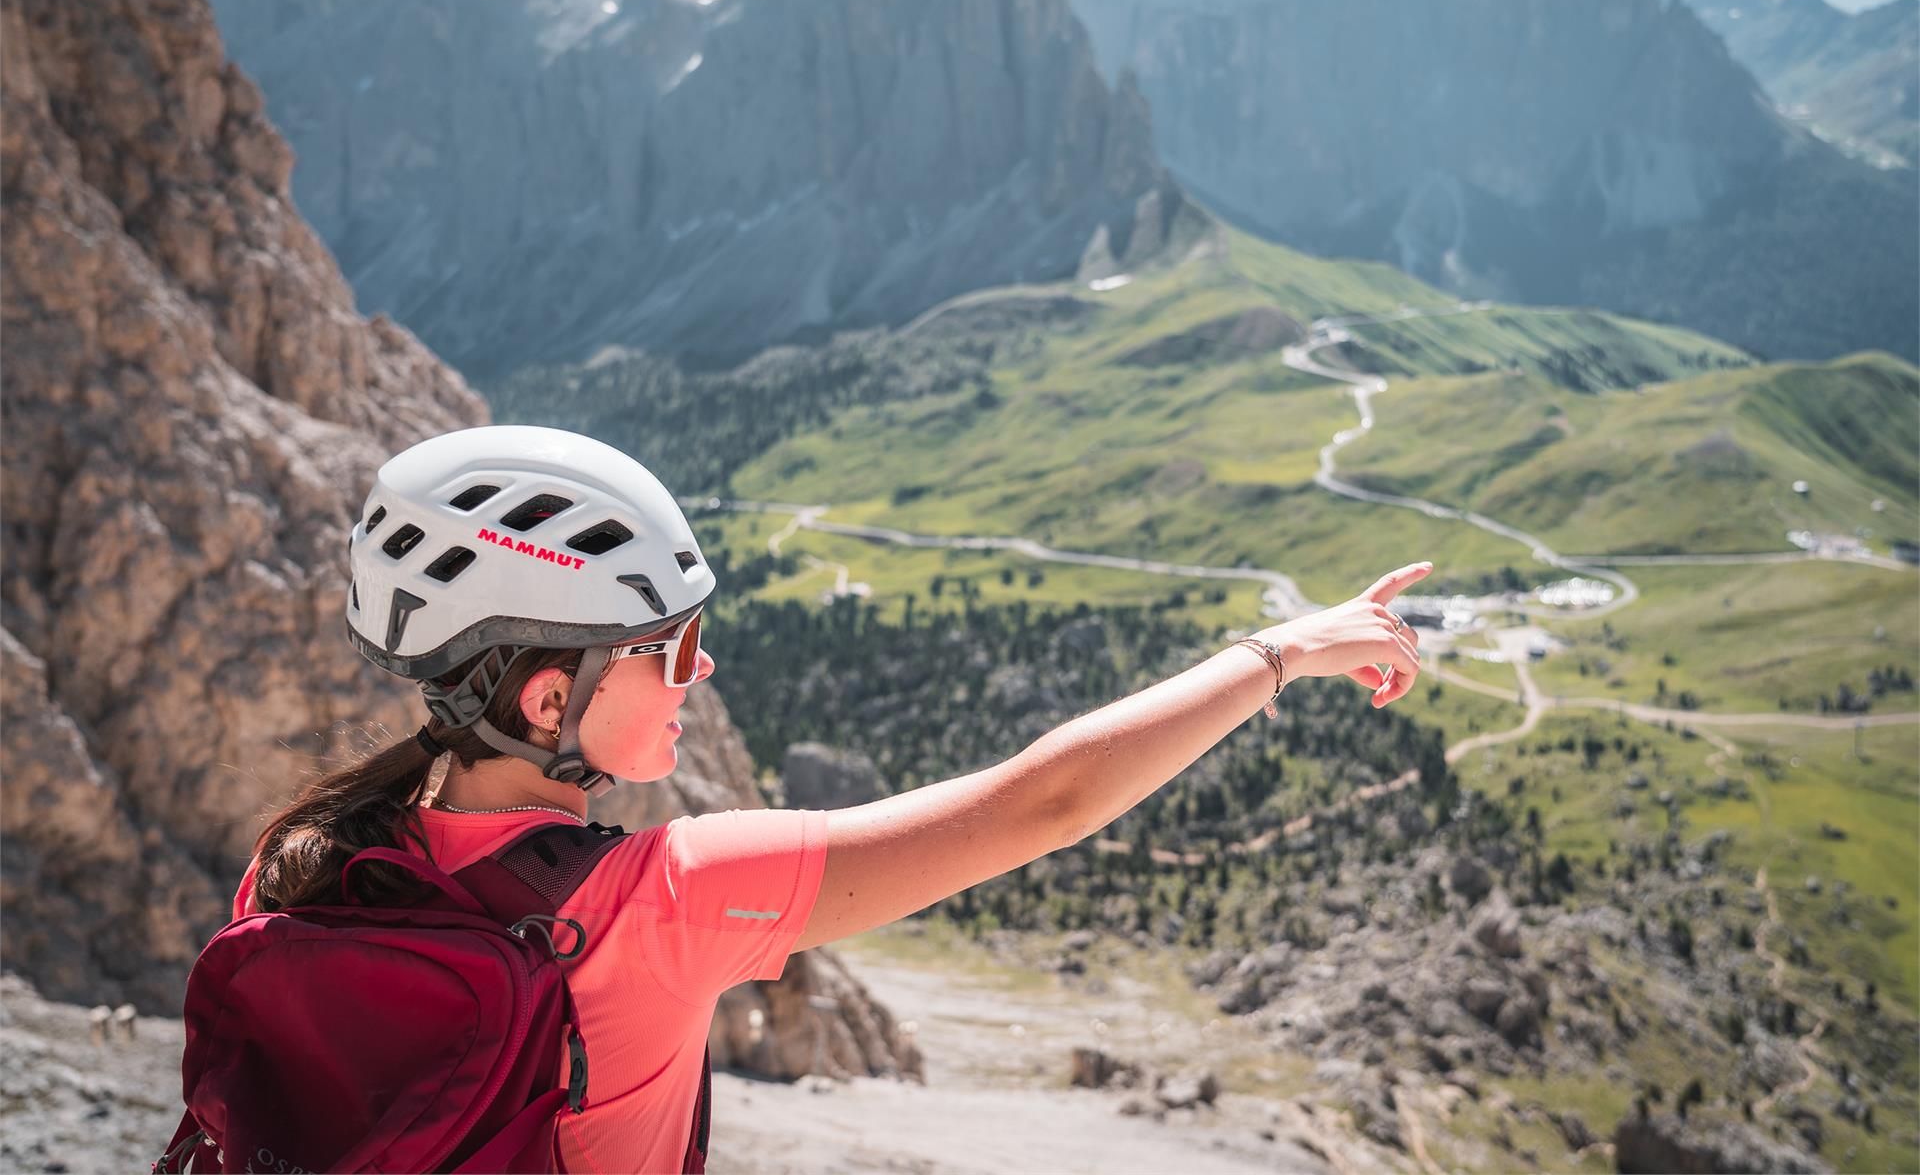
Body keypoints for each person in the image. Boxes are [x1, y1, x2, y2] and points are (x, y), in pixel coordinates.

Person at [235, 425, 1427, 1173]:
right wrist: (1283, 651)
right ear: (549, 700)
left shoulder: (299, 861)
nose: (700, 668)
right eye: (669, 642)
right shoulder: (664, 902)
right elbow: (1042, 803)